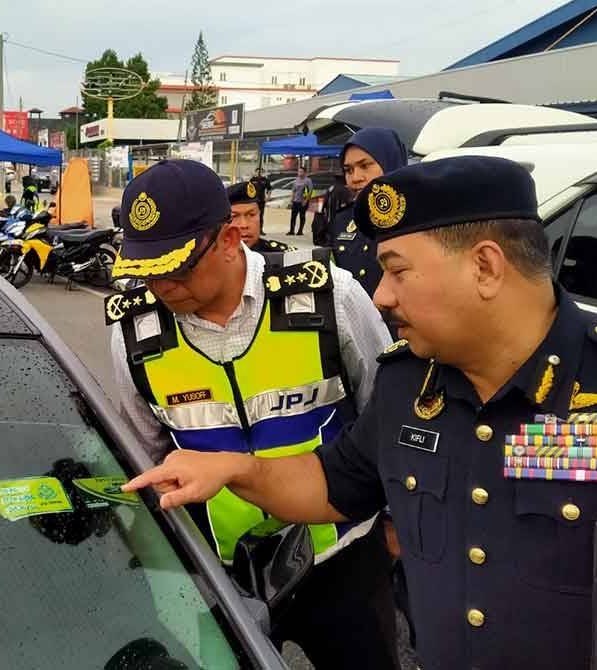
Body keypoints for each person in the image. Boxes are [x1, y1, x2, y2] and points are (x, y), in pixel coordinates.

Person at [123, 155, 597, 670]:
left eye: (396, 270)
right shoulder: (409, 385)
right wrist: (234, 468)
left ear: (485, 266)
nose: (380, 294)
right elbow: (335, 483)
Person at [107, 159, 398, 669]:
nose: (161, 287)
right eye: (146, 272)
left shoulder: (329, 296)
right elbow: (146, 454)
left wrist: (395, 528)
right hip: (220, 571)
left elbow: (389, 416)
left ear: (228, 238)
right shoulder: (135, 334)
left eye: (175, 267)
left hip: (343, 558)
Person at [325, 127, 408, 297]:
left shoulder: (418, 219)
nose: (355, 177)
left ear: (390, 163)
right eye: (348, 170)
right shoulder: (342, 220)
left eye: (365, 166)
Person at [226, 181, 293, 255]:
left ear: (259, 215)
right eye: (234, 216)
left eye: (251, 215)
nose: (244, 225)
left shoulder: (284, 256)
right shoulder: (212, 261)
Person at [288, 166, 313, 236]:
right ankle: (291, 231)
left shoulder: (308, 180)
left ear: (305, 173)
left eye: (301, 172)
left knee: (302, 216)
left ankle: (300, 231)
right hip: (295, 201)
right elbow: (293, 190)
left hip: (303, 201)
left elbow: (310, 191)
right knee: (293, 216)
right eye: (299, 171)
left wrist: (306, 201)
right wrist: (292, 199)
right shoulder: (296, 180)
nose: (299, 173)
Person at [248, 167, 272, 233]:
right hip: (254, 201)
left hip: (261, 200)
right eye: (258, 172)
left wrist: (268, 197)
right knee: (253, 215)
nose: (259, 173)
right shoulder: (252, 180)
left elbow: (269, 189)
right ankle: (252, 229)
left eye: (261, 172)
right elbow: (249, 189)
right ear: (255, 172)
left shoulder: (265, 180)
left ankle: (260, 230)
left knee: (261, 216)